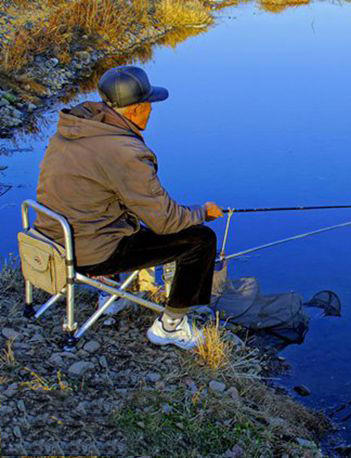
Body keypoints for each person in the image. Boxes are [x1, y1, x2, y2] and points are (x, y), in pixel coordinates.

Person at [34, 65, 223, 350]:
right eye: (149, 104)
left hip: (51, 237)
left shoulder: (76, 129)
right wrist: (202, 212)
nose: (151, 110)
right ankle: (170, 327)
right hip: (88, 251)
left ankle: (109, 292)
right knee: (199, 240)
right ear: (136, 109)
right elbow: (166, 222)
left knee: (118, 209)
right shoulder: (125, 152)